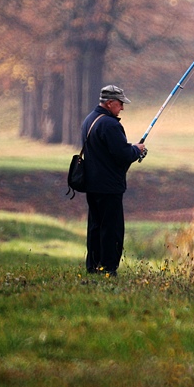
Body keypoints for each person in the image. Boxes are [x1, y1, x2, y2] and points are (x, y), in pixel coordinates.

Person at [81, 84, 146, 276]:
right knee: (112, 229)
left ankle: (93, 267)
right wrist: (137, 150)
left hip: (92, 184)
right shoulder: (110, 124)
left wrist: (131, 149)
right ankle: (108, 268)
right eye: (120, 104)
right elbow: (122, 154)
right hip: (109, 186)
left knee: (95, 227)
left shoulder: (90, 120)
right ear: (109, 103)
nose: (122, 108)